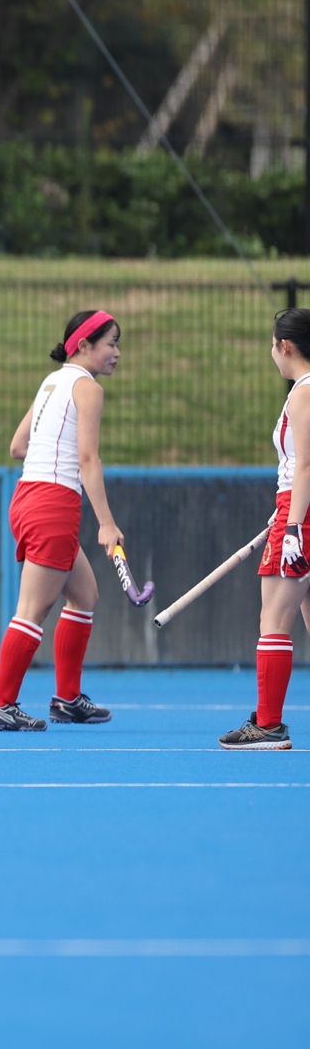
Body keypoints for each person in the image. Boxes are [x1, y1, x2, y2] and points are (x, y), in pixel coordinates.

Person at [0, 309, 127, 731]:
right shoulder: (88, 388)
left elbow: (17, 446)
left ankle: (67, 700)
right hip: (52, 503)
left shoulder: (52, 382)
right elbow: (88, 460)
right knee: (32, 609)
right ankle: (0, 704)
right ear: (83, 345)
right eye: (111, 343)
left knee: (84, 596)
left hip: (27, 498)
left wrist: (50, 454)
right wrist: (106, 523)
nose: (117, 353)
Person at [221, 309, 310, 749]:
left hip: (300, 515)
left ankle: (269, 725)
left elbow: (306, 466)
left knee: (272, 620)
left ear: (285, 346)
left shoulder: (303, 393)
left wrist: (293, 524)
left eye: (272, 345)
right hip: (296, 508)